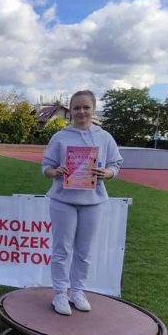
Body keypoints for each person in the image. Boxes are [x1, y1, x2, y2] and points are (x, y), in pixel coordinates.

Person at [41, 90, 122, 315]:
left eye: (86, 107)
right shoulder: (60, 137)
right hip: (63, 200)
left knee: (84, 251)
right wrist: (55, 171)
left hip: (93, 202)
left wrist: (107, 173)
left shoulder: (104, 137)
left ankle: (77, 291)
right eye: (76, 107)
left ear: (93, 109)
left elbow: (116, 164)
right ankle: (60, 293)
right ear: (70, 110)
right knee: (62, 249)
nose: (81, 111)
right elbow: (46, 167)